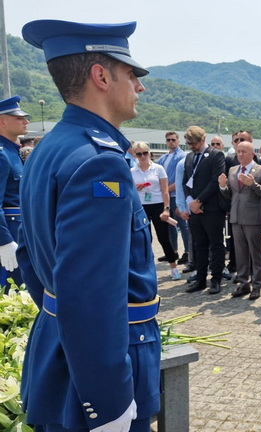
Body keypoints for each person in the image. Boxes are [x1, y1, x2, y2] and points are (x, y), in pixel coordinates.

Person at [18, 19, 160, 431]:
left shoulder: (51, 147)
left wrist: (60, 316)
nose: (140, 86)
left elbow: (32, 258)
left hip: (60, 354)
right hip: (96, 382)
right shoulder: (100, 162)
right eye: (132, 74)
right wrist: (108, 402)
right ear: (101, 75)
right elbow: (92, 294)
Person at [218, 140, 261, 300]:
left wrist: (253, 184)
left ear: (252, 153)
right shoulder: (233, 170)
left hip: (253, 218)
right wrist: (222, 187)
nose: (240, 154)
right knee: (240, 253)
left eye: (243, 152)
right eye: (238, 152)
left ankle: (257, 285)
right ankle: (243, 283)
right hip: (236, 217)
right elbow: (231, 194)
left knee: (256, 254)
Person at [181, 125, 226, 295]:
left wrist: (199, 201)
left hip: (212, 208)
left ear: (202, 140)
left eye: (193, 143)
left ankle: (216, 279)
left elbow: (215, 181)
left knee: (215, 245)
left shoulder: (216, 155)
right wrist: (190, 201)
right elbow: (185, 181)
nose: (191, 146)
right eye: (188, 143)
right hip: (194, 209)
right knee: (199, 245)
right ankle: (200, 279)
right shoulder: (189, 157)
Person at [131, 141, 181, 280]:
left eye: (145, 153)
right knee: (145, 239)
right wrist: (136, 188)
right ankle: (148, 268)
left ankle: (174, 268)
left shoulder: (158, 168)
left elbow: (165, 191)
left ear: (149, 153)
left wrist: (166, 209)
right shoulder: (132, 171)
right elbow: (130, 191)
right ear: (135, 155)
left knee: (164, 238)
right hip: (141, 207)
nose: (142, 156)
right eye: (139, 154)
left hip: (158, 204)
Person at [0, 96, 30, 289]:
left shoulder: (12, 152)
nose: (26, 121)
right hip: (9, 234)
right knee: (10, 292)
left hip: (20, 231)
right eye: (19, 118)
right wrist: (4, 241)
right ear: (2, 121)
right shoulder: (2, 154)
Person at [157, 131, 189, 266]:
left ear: (178, 141)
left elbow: (181, 179)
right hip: (166, 197)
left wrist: (166, 189)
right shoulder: (162, 159)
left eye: (173, 140)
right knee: (170, 225)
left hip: (176, 195)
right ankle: (173, 251)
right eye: (168, 140)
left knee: (183, 224)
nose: (171, 142)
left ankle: (188, 252)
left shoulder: (183, 157)